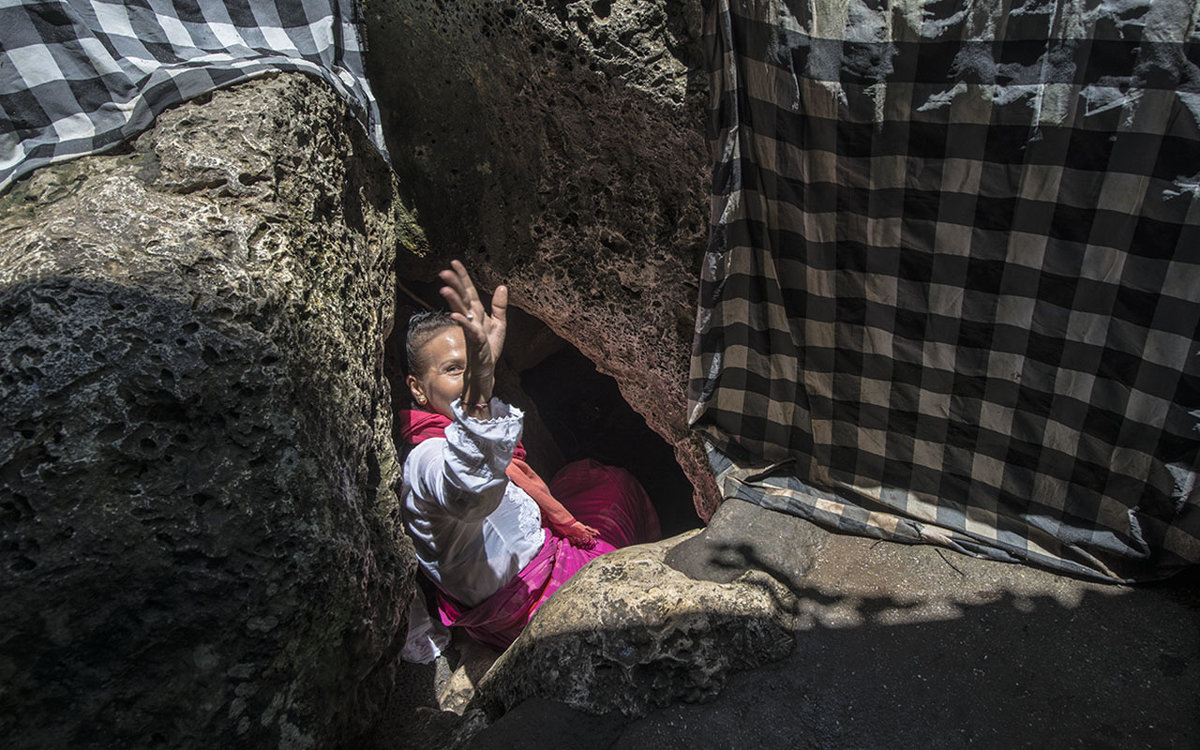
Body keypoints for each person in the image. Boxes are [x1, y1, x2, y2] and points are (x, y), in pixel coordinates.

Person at [397, 261, 661, 652]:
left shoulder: (444, 433)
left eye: (477, 366)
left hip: (513, 598)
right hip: (539, 605)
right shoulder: (428, 457)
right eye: (455, 369)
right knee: (617, 488)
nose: (472, 380)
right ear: (417, 389)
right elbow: (470, 492)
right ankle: (654, 580)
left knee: (579, 475)